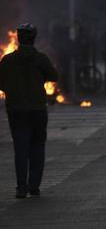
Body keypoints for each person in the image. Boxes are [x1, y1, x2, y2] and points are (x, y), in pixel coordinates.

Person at [0, 23, 58, 198]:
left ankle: (21, 188)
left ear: (18, 37)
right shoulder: (41, 58)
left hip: (16, 110)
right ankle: (34, 185)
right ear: (34, 38)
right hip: (37, 109)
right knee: (37, 146)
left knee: (20, 148)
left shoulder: (8, 60)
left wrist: (11, 89)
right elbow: (54, 76)